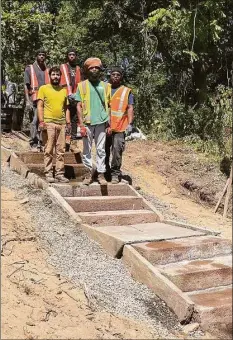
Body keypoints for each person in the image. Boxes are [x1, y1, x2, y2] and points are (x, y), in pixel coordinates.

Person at [75, 57, 111, 185]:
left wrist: (109, 124)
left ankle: (101, 174)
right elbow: (78, 105)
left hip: (102, 122)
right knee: (87, 149)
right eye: (91, 68)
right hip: (87, 122)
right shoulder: (82, 85)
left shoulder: (106, 86)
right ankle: (88, 174)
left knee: (101, 149)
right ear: (87, 70)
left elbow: (109, 105)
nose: (94, 69)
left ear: (100, 69)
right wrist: (81, 125)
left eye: (96, 67)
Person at [37, 66, 71, 183]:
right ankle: (48, 173)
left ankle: (60, 174)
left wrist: (68, 122)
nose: (55, 77)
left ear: (60, 76)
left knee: (61, 150)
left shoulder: (63, 90)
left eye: (57, 75)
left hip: (61, 124)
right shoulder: (44, 88)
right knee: (48, 149)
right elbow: (40, 106)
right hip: (48, 123)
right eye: (53, 74)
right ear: (49, 76)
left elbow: (66, 108)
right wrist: (41, 121)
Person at [105, 67, 134, 184]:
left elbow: (130, 107)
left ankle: (115, 173)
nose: (115, 76)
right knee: (104, 150)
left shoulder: (126, 91)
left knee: (117, 150)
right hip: (105, 126)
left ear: (121, 77)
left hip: (120, 126)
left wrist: (130, 124)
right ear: (110, 76)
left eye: (118, 75)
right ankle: (104, 171)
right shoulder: (104, 88)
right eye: (113, 74)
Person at [24, 49, 50, 151]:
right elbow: (26, 85)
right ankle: (33, 143)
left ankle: (42, 143)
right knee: (34, 121)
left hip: (45, 100)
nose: (41, 57)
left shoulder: (47, 70)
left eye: (43, 55)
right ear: (36, 56)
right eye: (39, 55)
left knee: (44, 121)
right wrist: (27, 101)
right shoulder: (29, 69)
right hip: (34, 99)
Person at [60, 47, 81, 153]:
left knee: (74, 120)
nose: (72, 56)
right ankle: (62, 143)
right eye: (70, 54)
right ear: (67, 56)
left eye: (73, 54)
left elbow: (80, 84)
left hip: (75, 98)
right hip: (64, 97)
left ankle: (73, 143)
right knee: (63, 120)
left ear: (76, 56)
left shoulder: (77, 68)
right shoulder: (62, 67)